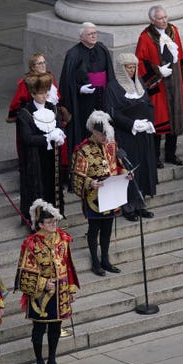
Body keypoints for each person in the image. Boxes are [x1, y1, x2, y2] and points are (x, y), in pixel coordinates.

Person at [14, 199, 79, 364]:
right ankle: (39, 362)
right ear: (40, 224)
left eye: (55, 221)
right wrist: (42, 283)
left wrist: (71, 289)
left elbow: (68, 265)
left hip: (61, 290)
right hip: (40, 294)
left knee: (56, 328)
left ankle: (52, 359)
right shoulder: (31, 244)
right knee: (39, 328)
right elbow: (24, 272)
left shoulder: (63, 239)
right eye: (49, 222)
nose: (53, 225)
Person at [136, 5, 183, 168]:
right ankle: (155, 158)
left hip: (175, 83)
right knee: (158, 122)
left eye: (165, 17)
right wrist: (157, 71)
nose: (164, 21)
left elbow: (181, 55)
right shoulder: (145, 37)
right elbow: (139, 61)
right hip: (159, 86)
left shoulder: (174, 31)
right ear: (152, 20)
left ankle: (171, 154)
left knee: (175, 120)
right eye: (160, 18)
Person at [72, 110, 127, 276]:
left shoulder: (111, 145)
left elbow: (117, 165)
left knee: (107, 228)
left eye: (106, 134)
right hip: (93, 197)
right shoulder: (82, 150)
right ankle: (95, 261)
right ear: (94, 132)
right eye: (102, 135)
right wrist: (90, 183)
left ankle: (105, 259)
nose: (105, 138)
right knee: (94, 229)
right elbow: (76, 175)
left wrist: (126, 173)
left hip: (111, 193)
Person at [105, 53, 157, 222]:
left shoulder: (139, 82)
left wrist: (147, 121)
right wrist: (131, 124)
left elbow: (148, 103)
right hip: (126, 135)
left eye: (134, 66)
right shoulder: (112, 87)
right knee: (129, 169)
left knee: (143, 167)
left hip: (142, 134)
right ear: (121, 68)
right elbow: (112, 112)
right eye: (128, 67)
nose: (132, 70)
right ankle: (128, 207)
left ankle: (140, 204)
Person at [59, 22, 114, 165]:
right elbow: (67, 82)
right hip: (84, 101)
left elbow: (110, 73)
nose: (94, 35)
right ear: (82, 37)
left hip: (102, 96)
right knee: (88, 130)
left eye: (95, 33)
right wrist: (79, 89)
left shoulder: (102, 48)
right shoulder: (73, 53)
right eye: (90, 34)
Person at [17, 73, 66, 227]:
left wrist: (59, 134)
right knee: (37, 187)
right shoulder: (25, 113)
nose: (45, 96)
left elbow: (59, 126)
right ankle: (37, 220)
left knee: (53, 185)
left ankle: (54, 216)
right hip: (35, 158)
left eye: (46, 92)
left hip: (52, 157)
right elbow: (27, 138)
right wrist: (47, 137)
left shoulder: (54, 109)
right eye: (40, 93)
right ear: (32, 94)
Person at [7, 53, 63, 167]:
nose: (43, 65)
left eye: (44, 62)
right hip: (34, 118)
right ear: (33, 67)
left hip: (51, 114)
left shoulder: (49, 77)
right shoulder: (27, 81)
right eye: (39, 63)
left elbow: (57, 97)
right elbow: (17, 102)